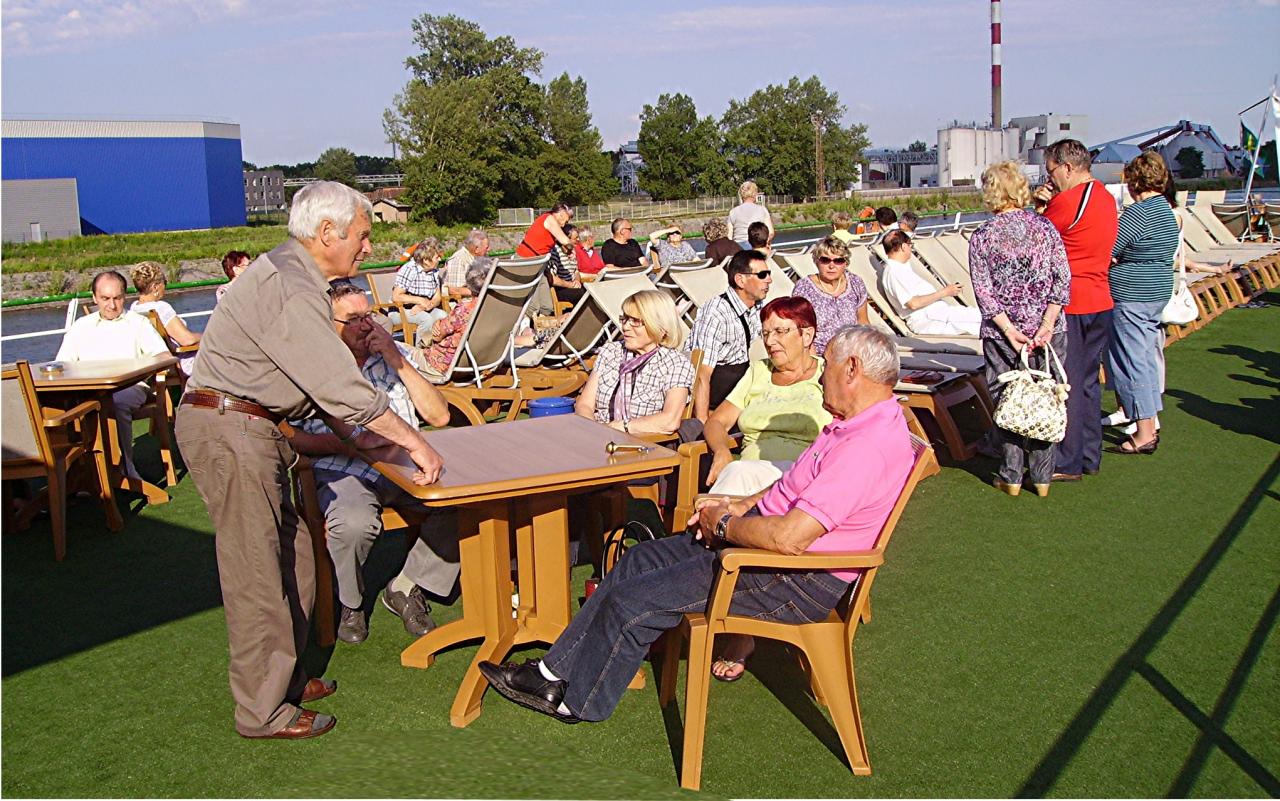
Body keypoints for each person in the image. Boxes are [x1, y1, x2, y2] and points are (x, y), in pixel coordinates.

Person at [477, 325, 915, 723]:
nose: (821, 375)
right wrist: (739, 504)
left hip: (792, 578)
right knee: (640, 559)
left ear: (852, 369)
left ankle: (579, 703)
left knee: (635, 600)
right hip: (762, 546)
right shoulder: (853, 424)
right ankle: (551, 671)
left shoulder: (866, 447)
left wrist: (723, 523)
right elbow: (794, 490)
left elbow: (789, 539)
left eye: (829, 365)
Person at [174, 181, 444, 740]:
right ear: (327, 233)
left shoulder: (291, 276)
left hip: (254, 426)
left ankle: (287, 679)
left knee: (295, 557)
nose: (368, 250)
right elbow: (338, 386)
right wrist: (413, 443)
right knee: (256, 573)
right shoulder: (294, 288)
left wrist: (377, 440)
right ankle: (262, 711)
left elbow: (324, 393)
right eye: (363, 237)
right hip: (232, 426)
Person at [289, 281, 455, 644]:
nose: (365, 325)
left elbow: (439, 416)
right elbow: (291, 435)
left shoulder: (395, 354)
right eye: (352, 319)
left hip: (405, 464)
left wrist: (399, 363)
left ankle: (407, 585)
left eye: (368, 316)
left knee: (463, 503)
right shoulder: (312, 366)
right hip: (340, 467)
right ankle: (350, 602)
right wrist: (345, 444)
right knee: (352, 523)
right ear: (326, 322)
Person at [968, 161, 1071, 497]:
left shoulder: (983, 236)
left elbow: (983, 291)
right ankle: (1042, 476)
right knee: (1046, 398)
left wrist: (1009, 329)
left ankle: (1011, 474)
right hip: (1048, 330)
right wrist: (1046, 324)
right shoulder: (1046, 228)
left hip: (1003, 333)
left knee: (1007, 401)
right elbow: (1062, 281)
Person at [1033, 139, 1118, 482]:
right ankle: (1088, 455)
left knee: (1065, 382)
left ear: (1067, 167)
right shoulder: (1106, 198)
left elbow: (1038, 242)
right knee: (1086, 383)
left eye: (1051, 171)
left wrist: (1041, 207)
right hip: (1101, 299)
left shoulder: (1067, 202)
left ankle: (1066, 461)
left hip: (1072, 302)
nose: (1050, 179)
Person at [703, 296, 832, 496]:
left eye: (780, 332)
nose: (770, 342)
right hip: (748, 476)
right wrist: (721, 450)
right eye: (765, 333)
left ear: (807, 335)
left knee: (735, 476)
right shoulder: (759, 370)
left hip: (802, 477)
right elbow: (717, 422)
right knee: (737, 473)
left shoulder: (828, 374)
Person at [56, 270, 171, 481]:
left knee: (114, 402)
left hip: (130, 387)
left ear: (124, 296)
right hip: (89, 391)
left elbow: (164, 356)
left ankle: (125, 470)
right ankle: (77, 472)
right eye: (105, 299)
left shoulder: (138, 323)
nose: (111, 305)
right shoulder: (81, 327)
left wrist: (142, 369)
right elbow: (62, 364)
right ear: (94, 298)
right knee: (54, 407)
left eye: (117, 298)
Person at [1106, 151, 1179, 455]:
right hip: (1157, 292)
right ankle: (1151, 418)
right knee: (1147, 358)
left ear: (1134, 181)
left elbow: (1110, 249)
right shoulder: (1166, 210)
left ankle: (1144, 431)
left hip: (1131, 294)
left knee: (1132, 361)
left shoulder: (1138, 214)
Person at [574, 289, 693, 435]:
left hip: (643, 447)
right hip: (597, 436)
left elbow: (670, 421)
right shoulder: (611, 352)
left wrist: (620, 427)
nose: (625, 327)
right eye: (624, 319)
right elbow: (585, 404)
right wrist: (592, 432)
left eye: (636, 321)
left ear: (660, 328)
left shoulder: (674, 364)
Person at [686, 249, 771, 422]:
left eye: (768, 274)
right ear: (740, 280)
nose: (769, 279)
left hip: (739, 391)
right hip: (714, 397)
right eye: (762, 275)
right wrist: (703, 425)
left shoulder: (758, 306)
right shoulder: (716, 313)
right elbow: (701, 373)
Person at [878, 230, 980, 336]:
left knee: (984, 315)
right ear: (904, 246)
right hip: (928, 318)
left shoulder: (901, 267)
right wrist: (944, 292)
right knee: (977, 326)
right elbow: (913, 304)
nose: (911, 248)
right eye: (910, 245)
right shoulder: (894, 272)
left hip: (937, 313)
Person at [792, 235, 870, 354]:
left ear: (845, 263)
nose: (831, 266)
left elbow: (863, 321)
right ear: (817, 261)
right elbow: (801, 332)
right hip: (819, 353)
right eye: (825, 260)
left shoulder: (855, 283)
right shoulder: (804, 289)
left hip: (853, 350)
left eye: (838, 261)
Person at [129, 261, 202, 375]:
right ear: (155, 287)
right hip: (178, 364)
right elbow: (187, 340)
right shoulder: (161, 308)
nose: (165, 287)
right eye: (164, 283)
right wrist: (207, 337)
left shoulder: (134, 309)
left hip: (152, 364)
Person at [390, 237, 449, 345]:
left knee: (444, 316)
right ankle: (420, 351)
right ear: (426, 260)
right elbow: (396, 296)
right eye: (437, 257)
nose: (440, 259)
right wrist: (419, 300)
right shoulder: (409, 269)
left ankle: (437, 349)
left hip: (424, 308)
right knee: (426, 319)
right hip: (401, 310)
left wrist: (426, 306)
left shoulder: (434, 271)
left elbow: (437, 297)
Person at [443, 228, 489, 299]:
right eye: (487, 248)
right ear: (476, 249)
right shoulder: (459, 259)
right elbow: (453, 290)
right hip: (462, 303)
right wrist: (481, 292)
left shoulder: (482, 258)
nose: (489, 249)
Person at [546, 224, 585, 305]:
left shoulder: (572, 250)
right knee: (583, 294)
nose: (578, 240)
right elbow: (552, 279)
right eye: (575, 238)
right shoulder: (555, 252)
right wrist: (569, 285)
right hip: (561, 289)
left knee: (591, 290)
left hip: (572, 286)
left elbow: (576, 271)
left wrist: (577, 281)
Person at [728, 180, 772, 246]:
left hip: (738, 248)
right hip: (756, 246)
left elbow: (729, 236)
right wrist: (764, 245)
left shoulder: (733, 212)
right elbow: (771, 233)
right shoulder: (762, 210)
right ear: (755, 194)